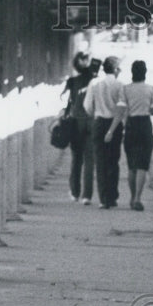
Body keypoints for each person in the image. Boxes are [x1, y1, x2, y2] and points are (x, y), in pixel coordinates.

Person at [106, 60, 153, 211]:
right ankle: (137, 198)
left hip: (131, 126)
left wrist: (110, 131)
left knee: (132, 166)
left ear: (132, 72)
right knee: (143, 165)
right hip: (145, 126)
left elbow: (120, 111)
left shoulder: (125, 89)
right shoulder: (152, 90)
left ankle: (131, 197)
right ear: (145, 72)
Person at [84, 55, 124, 209]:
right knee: (113, 161)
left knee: (100, 161)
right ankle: (112, 197)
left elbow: (87, 106)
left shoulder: (94, 83)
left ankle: (103, 198)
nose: (120, 71)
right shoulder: (120, 85)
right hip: (115, 124)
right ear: (115, 69)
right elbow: (122, 108)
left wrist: (96, 113)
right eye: (119, 68)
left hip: (99, 122)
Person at [60, 51, 95, 204]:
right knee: (89, 159)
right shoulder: (94, 83)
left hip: (76, 122)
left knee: (76, 158)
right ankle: (87, 195)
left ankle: (75, 192)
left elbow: (66, 100)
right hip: (92, 121)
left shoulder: (72, 81)